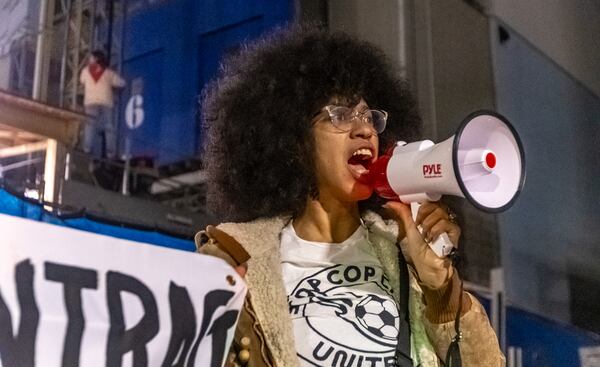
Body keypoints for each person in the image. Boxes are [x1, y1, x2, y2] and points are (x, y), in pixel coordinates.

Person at [197, 25, 505, 367]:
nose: (365, 129)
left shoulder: (406, 254)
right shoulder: (238, 258)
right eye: (340, 115)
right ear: (293, 142)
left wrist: (441, 290)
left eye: (370, 116)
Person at [79, 49, 125, 159]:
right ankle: (111, 153)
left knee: (90, 126)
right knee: (109, 127)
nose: (89, 59)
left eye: (91, 57)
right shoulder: (108, 72)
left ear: (95, 59)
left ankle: (87, 148)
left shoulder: (86, 71)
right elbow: (121, 83)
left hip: (90, 102)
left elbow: (82, 81)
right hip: (106, 102)